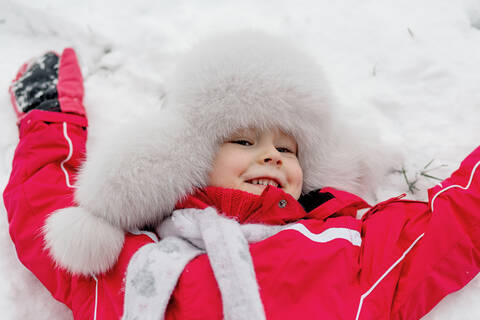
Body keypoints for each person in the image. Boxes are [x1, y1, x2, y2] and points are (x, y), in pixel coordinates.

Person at [3, 30, 480, 320]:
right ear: (189, 158)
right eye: (244, 142)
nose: (271, 157)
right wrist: (50, 116)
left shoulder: (350, 250)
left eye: (287, 148)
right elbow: (43, 204)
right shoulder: (127, 262)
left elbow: (455, 222)